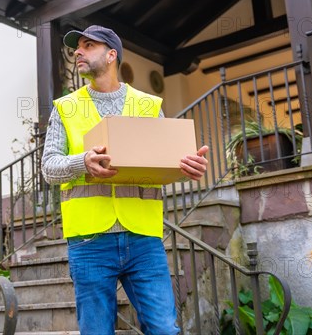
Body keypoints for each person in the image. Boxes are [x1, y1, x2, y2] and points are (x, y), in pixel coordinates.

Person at [41, 25, 209, 335]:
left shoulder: (148, 106)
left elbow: (161, 164)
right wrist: (83, 162)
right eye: (76, 47)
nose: (77, 51)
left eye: (88, 45)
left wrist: (185, 166)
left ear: (111, 55)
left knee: (164, 330)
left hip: (143, 238)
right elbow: (49, 168)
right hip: (89, 241)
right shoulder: (65, 108)